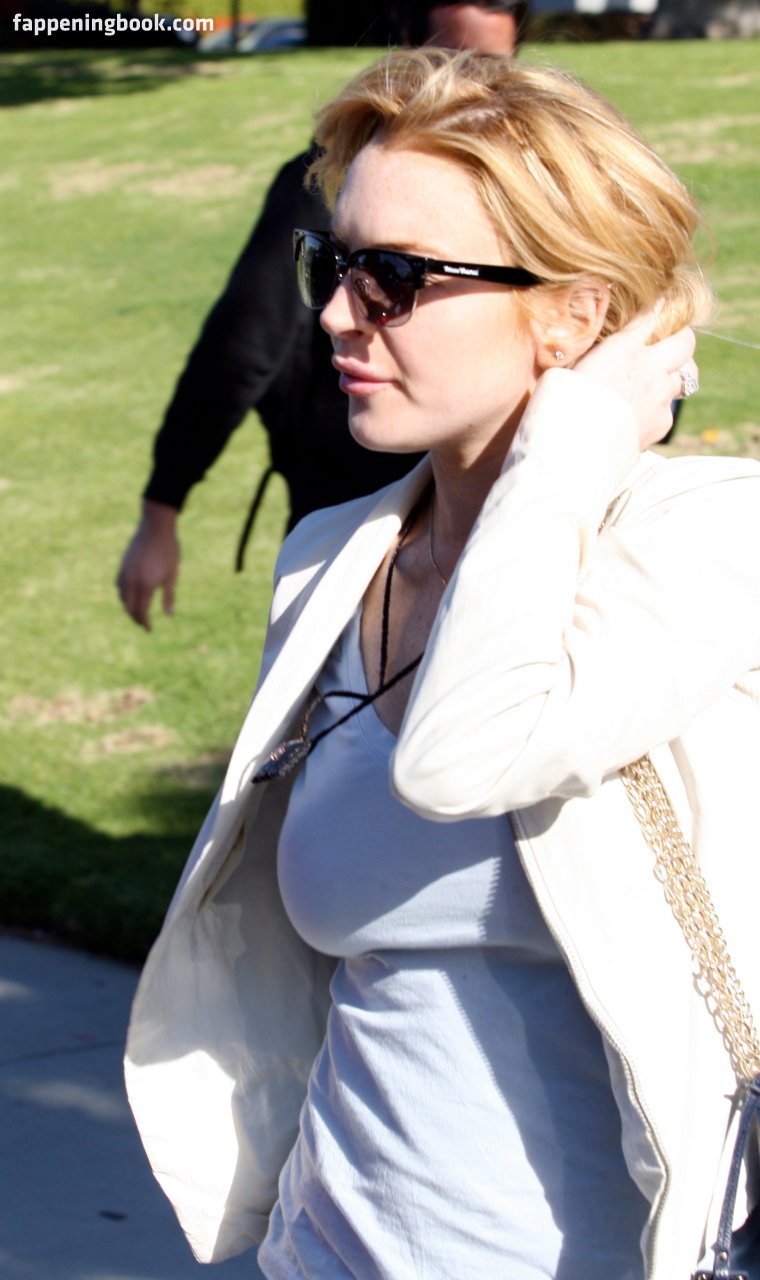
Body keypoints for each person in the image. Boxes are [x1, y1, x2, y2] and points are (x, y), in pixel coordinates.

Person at [125, 49, 760, 1279]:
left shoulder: (709, 538)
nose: (334, 314)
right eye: (333, 263)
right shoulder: (333, 558)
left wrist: (578, 432)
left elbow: (463, 752)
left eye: (396, 278)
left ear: (573, 313)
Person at [115, 2, 527, 631]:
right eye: (448, 60)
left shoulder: (538, 189)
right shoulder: (341, 179)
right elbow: (242, 346)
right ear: (405, 45)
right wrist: (161, 506)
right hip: (346, 504)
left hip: (503, 525)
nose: (337, 313)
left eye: (491, 66)